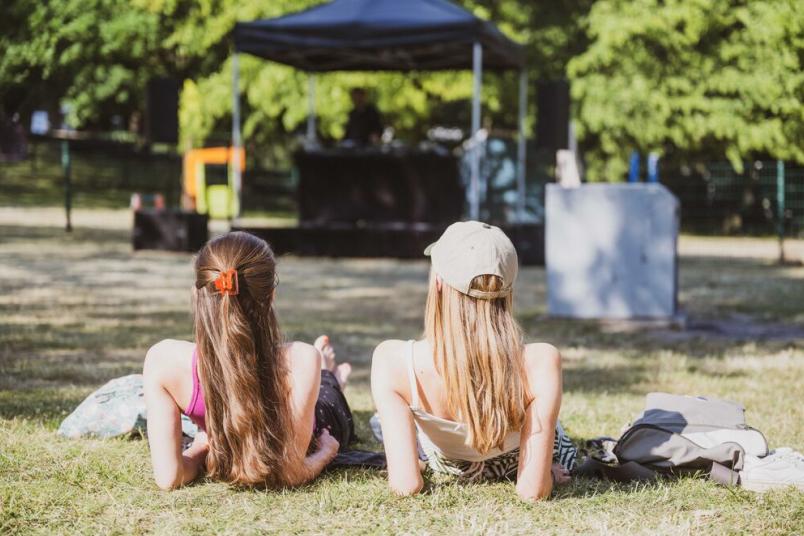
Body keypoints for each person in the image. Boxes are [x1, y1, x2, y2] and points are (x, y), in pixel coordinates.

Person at [371, 221, 577, 501]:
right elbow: (533, 491)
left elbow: (405, 485)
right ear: (509, 287)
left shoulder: (393, 361)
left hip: (447, 463)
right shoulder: (541, 360)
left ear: (439, 283)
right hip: (516, 462)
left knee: (383, 419)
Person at [143, 231, 353, 490]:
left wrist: (200, 449)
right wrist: (326, 453)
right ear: (271, 295)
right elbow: (291, 473)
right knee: (321, 379)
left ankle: (332, 376)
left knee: (326, 385)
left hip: (313, 415)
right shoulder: (300, 358)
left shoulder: (163, 361)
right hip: (313, 397)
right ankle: (329, 373)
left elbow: (170, 478)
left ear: (198, 293)